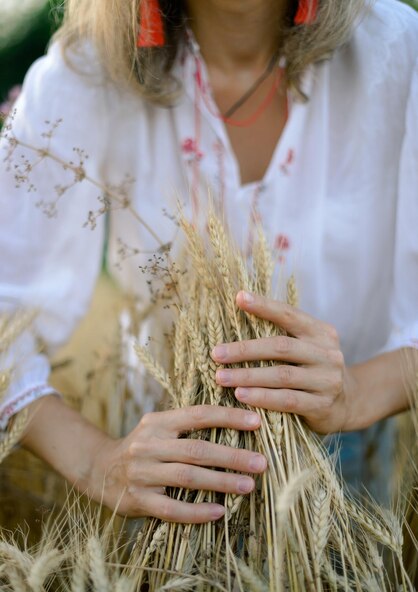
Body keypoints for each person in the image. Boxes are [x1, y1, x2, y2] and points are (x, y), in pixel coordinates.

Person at [0, 0, 417, 521]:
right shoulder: (86, 73)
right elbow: (4, 316)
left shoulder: (398, 51)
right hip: (170, 486)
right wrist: (96, 461)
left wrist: (355, 394)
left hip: (348, 478)